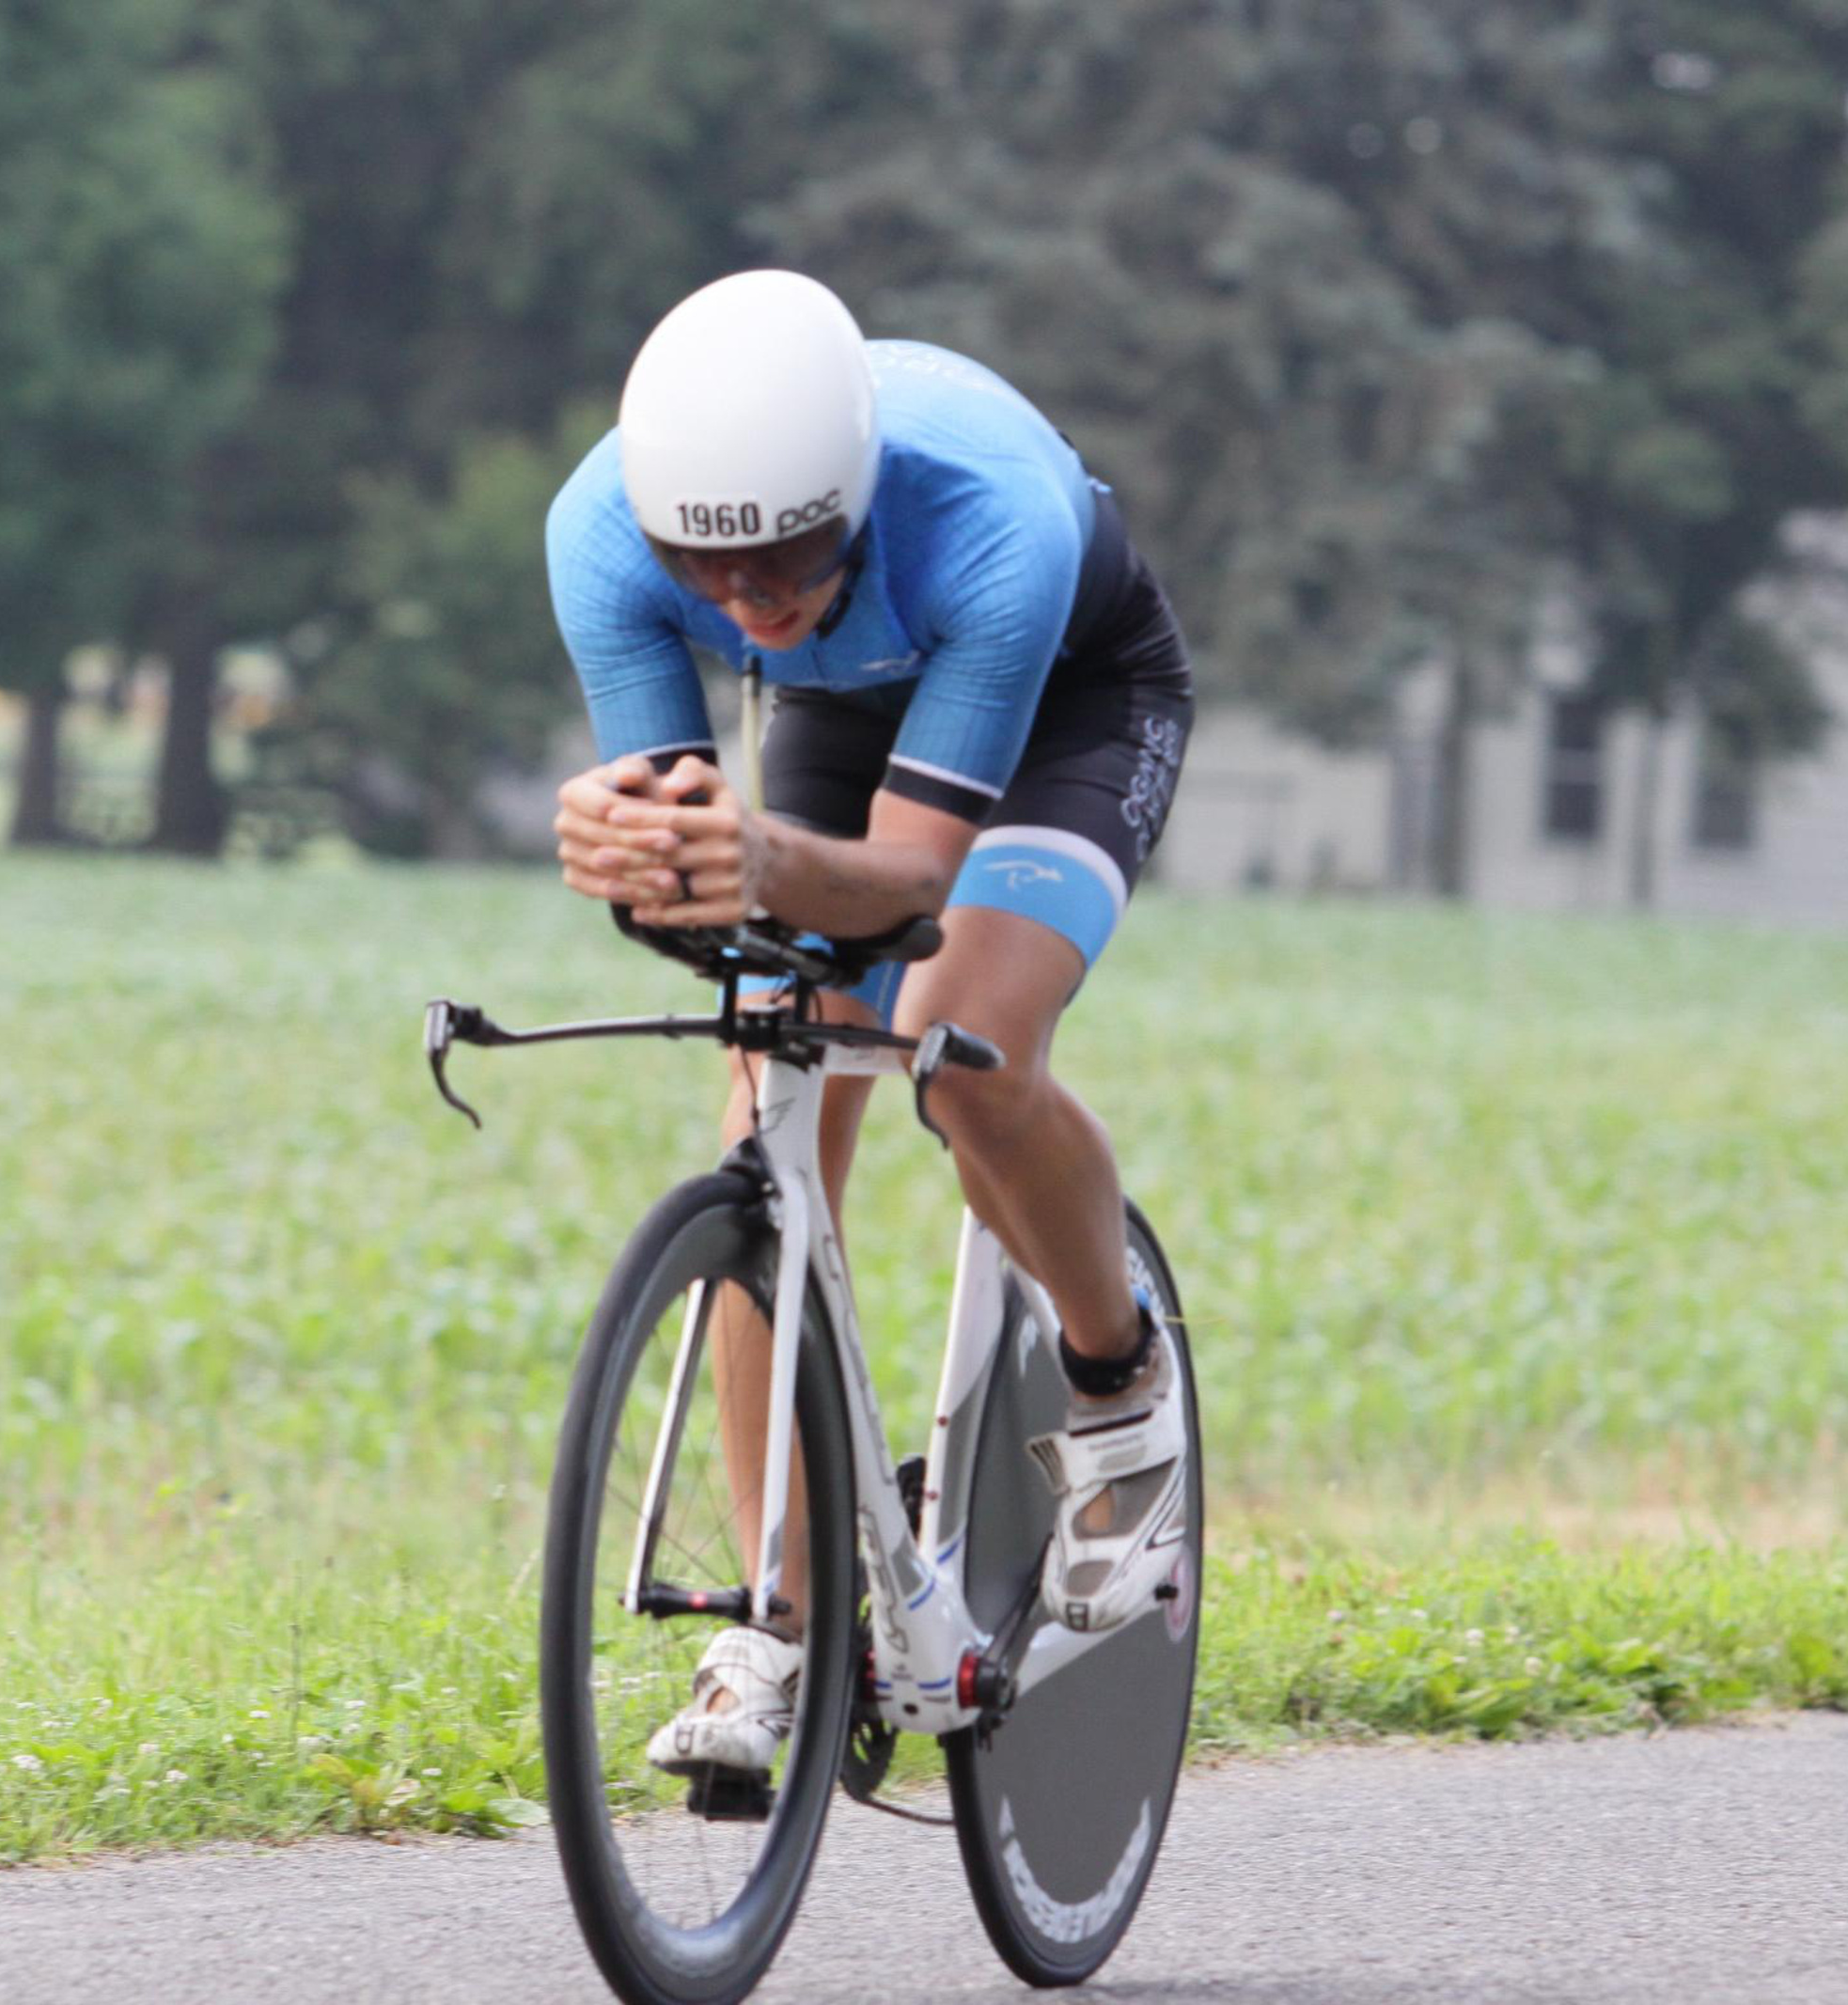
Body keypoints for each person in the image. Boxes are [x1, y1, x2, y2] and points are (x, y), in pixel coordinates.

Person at [543, 270, 1196, 1778]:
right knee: (765, 1099)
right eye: (714, 576)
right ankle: (781, 1609)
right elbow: (693, 846)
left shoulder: (989, 520)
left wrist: (756, 856)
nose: (755, 602)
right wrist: (642, 851)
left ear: (856, 494)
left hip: (1071, 702)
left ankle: (1117, 1383)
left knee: (966, 1051)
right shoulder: (601, 534)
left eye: (794, 554)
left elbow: (909, 884)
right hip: (853, 709)